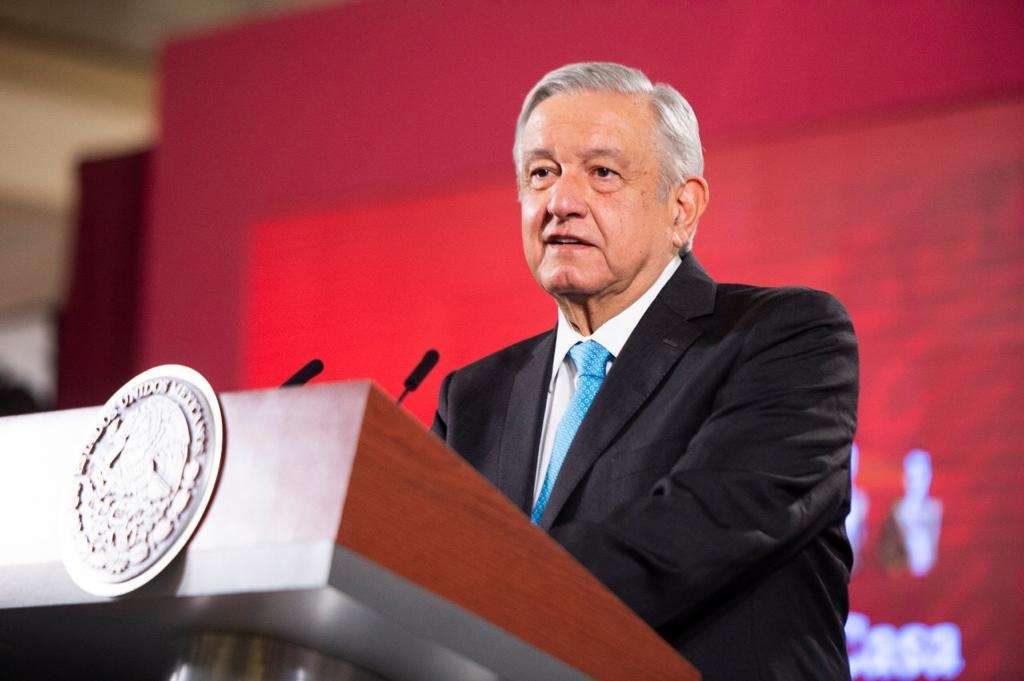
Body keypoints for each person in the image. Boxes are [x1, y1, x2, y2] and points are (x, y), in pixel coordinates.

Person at [432, 62, 858, 681]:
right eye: (541, 173)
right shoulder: (473, 397)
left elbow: (702, 527)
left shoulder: (785, 336)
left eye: (602, 173)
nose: (560, 203)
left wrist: (480, 584)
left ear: (682, 208)